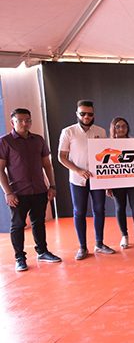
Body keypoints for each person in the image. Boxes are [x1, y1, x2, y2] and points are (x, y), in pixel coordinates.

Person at [0, 108, 61, 271]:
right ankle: (19, 258)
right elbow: (0, 169)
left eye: (27, 120)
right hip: (18, 192)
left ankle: (42, 251)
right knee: (18, 225)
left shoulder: (38, 140)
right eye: (20, 120)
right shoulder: (5, 142)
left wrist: (52, 185)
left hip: (39, 190)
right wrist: (8, 192)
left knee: (39, 223)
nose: (24, 123)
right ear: (13, 122)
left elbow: (47, 165)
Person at [58, 100, 115, 259]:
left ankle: (99, 243)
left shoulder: (100, 131)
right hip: (77, 179)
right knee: (79, 212)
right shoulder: (68, 132)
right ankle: (82, 247)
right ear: (77, 114)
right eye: (82, 113)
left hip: (98, 179)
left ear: (93, 114)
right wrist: (78, 170)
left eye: (89, 114)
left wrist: (107, 182)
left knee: (99, 210)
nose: (86, 116)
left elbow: (107, 156)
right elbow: (61, 157)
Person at [107, 117, 134, 249]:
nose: (121, 129)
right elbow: (104, 167)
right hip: (117, 181)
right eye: (118, 126)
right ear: (113, 128)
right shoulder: (107, 145)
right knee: (120, 207)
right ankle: (124, 235)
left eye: (124, 126)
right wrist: (107, 186)